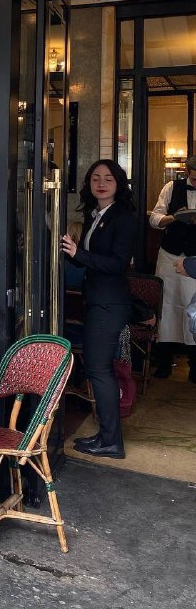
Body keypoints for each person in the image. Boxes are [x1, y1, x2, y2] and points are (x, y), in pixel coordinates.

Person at [62, 159, 136, 459]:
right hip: (97, 301)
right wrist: (72, 253)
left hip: (110, 303)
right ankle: (107, 436)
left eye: (108, 178)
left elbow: (117, 264)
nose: (101, 183)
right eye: (95, 178)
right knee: (97, 368)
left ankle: (111, 441)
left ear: (118, 183)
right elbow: (93, 259)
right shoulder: (97, 214)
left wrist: (81, 253)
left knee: (98, 369)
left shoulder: (124, 217)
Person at [149, 156, 196, 377]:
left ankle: (195, 366)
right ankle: (164, 362)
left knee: (193, 308)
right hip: (170, 255)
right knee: (167, 306)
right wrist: (174, 218)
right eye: (194, 179)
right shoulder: (171, 187)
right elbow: (154, 219)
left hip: (194, 260)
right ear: (188, 172)